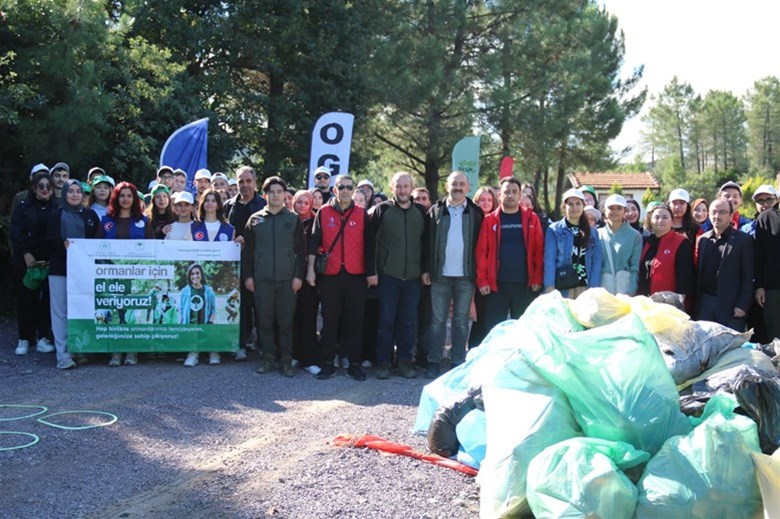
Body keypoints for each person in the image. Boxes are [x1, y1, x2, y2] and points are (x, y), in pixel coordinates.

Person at [307, 175, 374, 381]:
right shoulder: (324, 212)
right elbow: (314, 241)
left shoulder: (362, 214)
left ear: (353, 191)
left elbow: (370, 246)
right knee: (330, 319)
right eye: (341, 187)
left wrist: (372, 273)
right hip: (330, 275)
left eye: (348, 187)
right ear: (335, 190)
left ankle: (353, 363)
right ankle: (328, 362)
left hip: (356, 275)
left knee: (355, 320)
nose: (345, 191)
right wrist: (310, 269)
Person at [423, 172, 484, 379]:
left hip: (466, 276)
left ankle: (458, 362)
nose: (457, 187)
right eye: (453, 184)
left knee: (460, 321)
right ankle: (433, 362)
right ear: (447, 186)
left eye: (461, 184)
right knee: (437, 321)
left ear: (468, 188)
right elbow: (427, 242)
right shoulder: (435, 211)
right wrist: (426, 269)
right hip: (440, 276)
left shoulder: (476, 213)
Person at [243, 176, 305, 377]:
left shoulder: (293, 219)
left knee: (286, 322)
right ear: (265, 195)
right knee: (264, 321)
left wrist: (298, 276)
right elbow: (248, 252)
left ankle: (286, 360)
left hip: (287, 279)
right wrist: (248, 277)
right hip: (262, 279)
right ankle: (268, 358)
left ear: (285, 195)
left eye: (279, 192)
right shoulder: (255, 219)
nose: (276, 195)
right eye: (272, 192)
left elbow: (301, 252)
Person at [369, 171, 426, 379]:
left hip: (412, 277)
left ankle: (404, 362)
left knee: (408, 322)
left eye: (406, 186)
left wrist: (425, 270)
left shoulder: (421, 211)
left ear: (412, 188)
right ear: (392, 188)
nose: (402, 190)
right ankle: (384, 363)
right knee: (385, 321)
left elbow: (426, 243)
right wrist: (372, 271)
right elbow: (371, 243)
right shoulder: (381, 210)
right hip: (388, 276)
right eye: (398, 186)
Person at [96, 181, 154, 366]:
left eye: (129, 195)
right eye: (122, 195)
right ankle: (115, 351)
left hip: (136, 276)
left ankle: (132, 351)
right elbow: (94, 248)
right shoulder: (106, 221)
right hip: (112, 276)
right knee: (115, 312)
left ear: (135, 199)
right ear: (116, 198)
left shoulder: (144, 221)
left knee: (132, 314)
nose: (126, 199)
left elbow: (153, 249)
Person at [476, 177, 544, 334]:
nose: (510, 195)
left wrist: (537, 278)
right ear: (499, 195)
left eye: (514, 192)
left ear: (520, 195)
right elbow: (481, 252)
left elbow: (538, 251)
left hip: (524, 285)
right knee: (494, 331)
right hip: (496, 286)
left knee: (523, 331)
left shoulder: (532, 218)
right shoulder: (490, 220)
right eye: (506, 192)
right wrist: (482, 281)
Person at [47, 179, 100, 369]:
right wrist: (63, 247)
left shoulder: (90, 215)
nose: (75, 195)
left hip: (83, 272)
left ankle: (79, 350)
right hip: (60, 270)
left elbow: (96, 241)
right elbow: (51, 240)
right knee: (60, 312)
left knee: (80, 309)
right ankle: (63, 355)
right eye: (71, 191)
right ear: (65, 193)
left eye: (79, 191)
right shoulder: (56, 215)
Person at [187, 188, 236, 366]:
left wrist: (238, 245)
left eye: (213, 200)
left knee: (212, 314)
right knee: (195, 315)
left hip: (215, 281)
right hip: (197, 278)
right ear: (202, 204)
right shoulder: (194, 227)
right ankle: (193, 352)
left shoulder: (228, 228)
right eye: (206, 200)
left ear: (219, 204)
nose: (209, 203)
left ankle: (214, 350)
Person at [10, 170, 56, 356]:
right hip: (27, 261)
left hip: (49, 260)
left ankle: (42, 338)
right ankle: (24, 338)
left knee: (46, 301)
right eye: (41, 186)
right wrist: (25, 254)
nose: (45, 190)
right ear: (34, 188)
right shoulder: (23, 206)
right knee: (26, 300)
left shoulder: (58, 207)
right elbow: (15, 232)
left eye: (48, 186)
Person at [223, 166, 267, 360]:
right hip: (233, 265)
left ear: (255, 183)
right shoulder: (228, 205)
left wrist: (247, 241)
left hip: (258, 263)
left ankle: (264, 347)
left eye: (248, 181)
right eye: (241, 181)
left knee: (260, 306)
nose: (245, 185)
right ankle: (240, 343)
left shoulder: (263, 205)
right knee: (237, 304)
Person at [694, 199, 753, 331]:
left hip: (731, 305)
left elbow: (748, 276)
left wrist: (742, 304)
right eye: (714, 212)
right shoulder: (703, 239)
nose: (717, 216)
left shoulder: (743, 241)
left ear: (731, 216)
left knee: (729, 348)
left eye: (722, 212)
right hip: (705, 303)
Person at [544, 188, 602, 299]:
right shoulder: (554, 230)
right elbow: (549, 260)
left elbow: (596, 262)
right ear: (564, 207)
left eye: (578, 203)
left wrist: (594, 288)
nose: (574, 207)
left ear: (583, 206)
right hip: (562, 286)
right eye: (570, 204)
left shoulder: (593, 232)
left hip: (585, 287)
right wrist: (549, 286)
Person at [638, 205, 694, 305]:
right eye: (656, 217)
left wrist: (680, 300)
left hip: (669, 302)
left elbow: (685, 276)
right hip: (645, 301)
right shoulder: (646, 241)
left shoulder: (680, 242)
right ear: (651, 220)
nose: (660, 220)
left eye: (665, 217)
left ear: (672, 221)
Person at [291, 190, 320, 375]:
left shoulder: (317, 222)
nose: (302, 205)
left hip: (310, 275)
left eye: (306, 202)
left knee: (309, 317)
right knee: (292, 317)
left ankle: (309, 359)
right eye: (299, 202)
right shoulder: (288, 220)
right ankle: (293, 355)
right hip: (290, 274)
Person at [469, 186, 499, 350]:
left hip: (491, 274)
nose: (486, 203)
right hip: (472, 272)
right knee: (476, 316)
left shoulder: (497, 220)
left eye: (489, 200)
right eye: (482, 200)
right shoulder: (472, 219)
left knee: (488, 316)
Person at [597, 194, 642, 295]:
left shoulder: (635, 236)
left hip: (625, 288)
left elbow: (635, 267)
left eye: (619, 208)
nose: (615, 211)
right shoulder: (597, 234)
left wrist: (631, 290)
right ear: (604, 210)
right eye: (611, 208)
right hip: (602, 288)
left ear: (624, 211)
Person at [179, 263, 218, 366]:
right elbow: (181, 309)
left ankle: (213, 353)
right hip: (190, 325)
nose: (195, 276)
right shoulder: (185, 291)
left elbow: (213, 309)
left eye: (197, 273)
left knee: (210, 336)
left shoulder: (209, 291)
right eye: (192, 274)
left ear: (201, 274)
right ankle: (193, 355)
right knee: (192, 338)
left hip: (205, 323)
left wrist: (211, 321)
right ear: (189, 276)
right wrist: (181, 323)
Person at [755, 193, 780, 341]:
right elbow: (759, 256)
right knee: (775, 337)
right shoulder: (766, 217)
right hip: (773, 289)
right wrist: (759, 286)